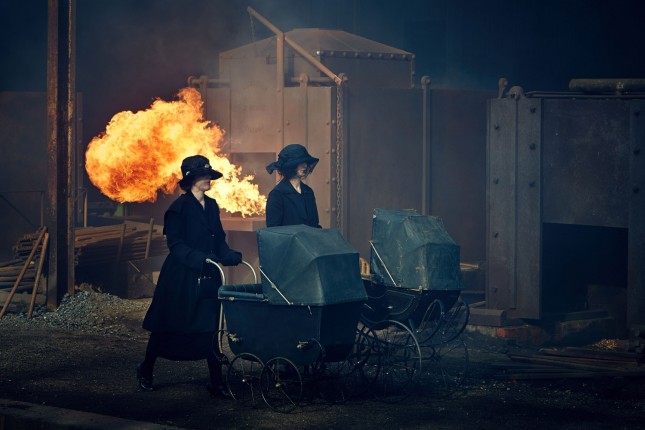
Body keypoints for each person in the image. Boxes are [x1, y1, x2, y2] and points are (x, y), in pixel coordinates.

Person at [137, 155, 242, 398]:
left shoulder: (212, 205)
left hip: (208, 275)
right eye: (203, 175)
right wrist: (200, 259)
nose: (208, 179)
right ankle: (146, 369)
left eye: (208, 175)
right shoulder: (178, 208)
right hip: (181, 276)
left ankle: (216, 382)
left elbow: (218, 239)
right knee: (167, 326)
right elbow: (176, 245)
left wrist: (227, 254)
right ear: (191, 180)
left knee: (210, 325)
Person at [265, 144, 321, 228]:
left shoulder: (308, 192)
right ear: (291, 166)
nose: (305, 165)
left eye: (305, 162)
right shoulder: (277, 195)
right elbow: (273, 231)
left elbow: (314, 225)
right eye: (300, 162)